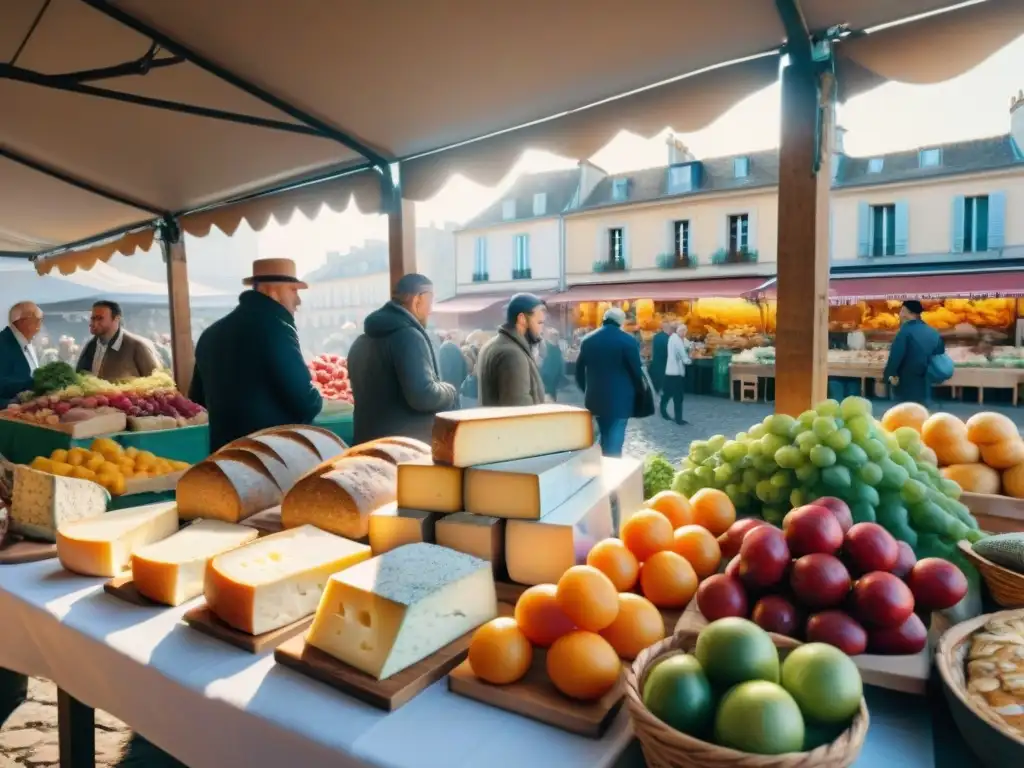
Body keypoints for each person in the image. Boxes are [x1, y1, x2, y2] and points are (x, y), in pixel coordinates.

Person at [190, 259, 322, 452]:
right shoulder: (276, 330)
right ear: (273, 291)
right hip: (269, 458)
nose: (298, 301)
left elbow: (197, 401)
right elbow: (305, 402)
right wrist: (317, 398)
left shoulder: (210, 334)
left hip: (223, 459)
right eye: (293, 290)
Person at [348, 273, 457, 443]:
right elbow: (423, 396)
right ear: (417, 300)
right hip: (403, 450)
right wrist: (449, 391)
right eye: (430, 300)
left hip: (366, 444)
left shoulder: (361, 342)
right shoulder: (409, 337)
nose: (431, 309)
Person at [575, 307, 644, 457]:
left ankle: (598, 470)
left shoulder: (587, 340)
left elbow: (579, 371)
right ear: (621, 322)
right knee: (614, 443)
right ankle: (611, 473)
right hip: (620, 400)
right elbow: (636, 372)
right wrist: (638, 393)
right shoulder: (628, 341)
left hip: (594, 399)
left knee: (598, 438)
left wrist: (587, 390)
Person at [477, 293, 547, 406]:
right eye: (539, 323)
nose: (541, 329)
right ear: (522, 319)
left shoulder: (493, 344)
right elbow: (518, 411)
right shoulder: (513, 355)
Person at [76, 300, 160, 381]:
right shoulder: (90, 346)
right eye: (93, 318)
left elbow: (159, 384)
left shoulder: (137, 347)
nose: (93, 323)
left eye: (99, 318)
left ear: (116, 319)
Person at [884, 299, 944, 405]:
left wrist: (889, 374)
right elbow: (940, 354)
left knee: (905, 414)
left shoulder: (904, 332)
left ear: (911, 314)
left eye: (903, 311)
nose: (900, 314)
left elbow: (896, 356)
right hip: (926, 383)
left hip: (906, 383)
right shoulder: (933, 332)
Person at [0, 302, 42, 402]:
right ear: (23, 322)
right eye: (38, 320)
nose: (40, 326)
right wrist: (36, 383)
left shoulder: (26, 344)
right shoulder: (3, 344)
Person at [661, 324, 691, 425]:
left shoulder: (673, 338)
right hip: (676, 373)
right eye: (683, 331)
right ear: (679, 331)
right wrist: (688, 361)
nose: (684, 333)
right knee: (678, 397)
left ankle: (663, 411)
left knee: (668, 394)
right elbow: (682, 354)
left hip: (670, 371)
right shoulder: (677, 340)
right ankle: (678, 419)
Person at [538, 328, 566, 402]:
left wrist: (561, 373)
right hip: (547, 375)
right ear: (550, 336)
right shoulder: (545, 346)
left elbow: (560, 361)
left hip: (555, 375)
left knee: (552, 393)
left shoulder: (557, 347)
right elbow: (540, 360)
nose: (557, 337)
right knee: (548, 393)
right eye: (555, 335)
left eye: (557, 335)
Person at [649, 320, 672, 394]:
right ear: (668, 328)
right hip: (665, 364)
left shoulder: (656, 337)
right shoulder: (668, 339)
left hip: (656, 363)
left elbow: (652, 349)